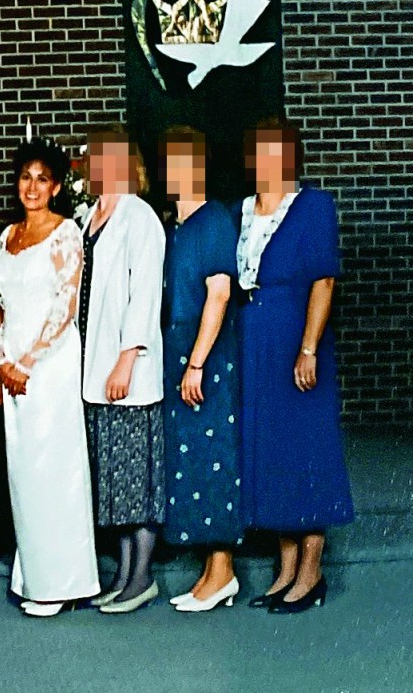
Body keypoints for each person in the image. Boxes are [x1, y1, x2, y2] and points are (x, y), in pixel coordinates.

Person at [237, 117, 354, 614]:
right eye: (258, 151)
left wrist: (308, 348)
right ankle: (284, 570)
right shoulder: (245, 209)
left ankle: (312, 571)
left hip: (294, 338)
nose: (266, 160)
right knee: (271, 452)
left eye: (274, 151)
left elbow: (323, 281)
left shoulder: (313, 205)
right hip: (255, 340)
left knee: (305, 447)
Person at [0, 137, 101, 617]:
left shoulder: (65, 234)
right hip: (12, 367)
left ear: (56, 186)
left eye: (42, 179)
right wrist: (1, 361)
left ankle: (62, 581)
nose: (32, 187)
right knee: (23, 474)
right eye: (25, 177)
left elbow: (65, 306)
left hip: (48, 366)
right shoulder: (6, 236)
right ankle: (33, 571)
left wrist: (27, 363)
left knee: (53, 470)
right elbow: (1, 307)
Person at [77, 126, 166, 615]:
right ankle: (125, 572)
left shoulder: (140, 217)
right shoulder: (92, 216)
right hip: (94, 368)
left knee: (137, 477)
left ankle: (143, 576)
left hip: (125, 370)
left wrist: (127, 358)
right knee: (115, 479)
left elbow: (144, 293)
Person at [159, 126, 243, 613]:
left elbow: (219, 293)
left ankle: (224, 570)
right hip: (178, 348)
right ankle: (209, 573)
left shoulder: (214, 220)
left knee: (213, 455)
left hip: (204, 352)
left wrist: (196, 363)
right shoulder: (176, 225)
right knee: (190, 460)